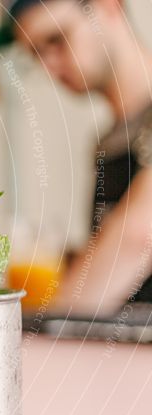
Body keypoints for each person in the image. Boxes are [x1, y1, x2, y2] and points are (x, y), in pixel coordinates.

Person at [11, 0, 152, 317]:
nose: (48, 66)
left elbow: (139, 236)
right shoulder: (109, 143)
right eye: (36, 53)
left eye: (56, 38)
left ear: (108, 7)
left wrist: (43, 335)